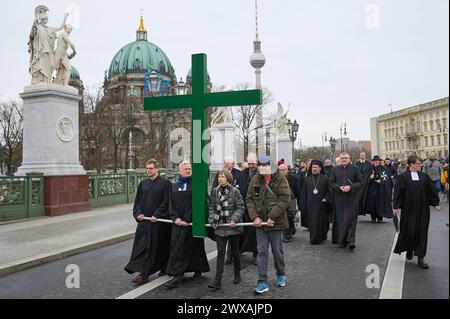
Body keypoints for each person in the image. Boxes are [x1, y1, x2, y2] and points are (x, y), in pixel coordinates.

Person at [246, 155, 291, 294]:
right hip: (261, 224)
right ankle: (262, 281)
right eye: (260, 166)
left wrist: (272, 217)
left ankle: (280, 273)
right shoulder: (255, 179)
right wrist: (255, 217)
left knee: (277, 251)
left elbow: (285, 199)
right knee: (261, 252)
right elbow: (250, 199)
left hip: (276, 223)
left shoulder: (280, 178)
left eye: (265, 166)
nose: (262, 168)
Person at [124, 159, 172, 284]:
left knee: (158, 248)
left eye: (151, 168)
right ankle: (144, 273)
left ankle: (161, 268)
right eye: (147, 168)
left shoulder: (165, 184)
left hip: (158, 223)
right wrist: (138, 213)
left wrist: (157, 214)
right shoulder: (143, 184)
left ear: (157, 169)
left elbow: (166, 202)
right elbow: (138, 201)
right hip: (144, 222)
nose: (148, 170)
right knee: (143, 248)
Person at [165, 162, 210, 289]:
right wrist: (176, 218)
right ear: (179, 171)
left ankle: (198, 269)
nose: (188, 170)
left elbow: (195, 204)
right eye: (185, 169)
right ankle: (177, 274)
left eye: (190, 169)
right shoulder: (173, 186)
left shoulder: (197, 185)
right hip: (178, 224)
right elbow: (170, 204)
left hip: (191, 223)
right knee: (178, 248)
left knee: (196, 246)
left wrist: (187, 219)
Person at [393, 155, 441, 269]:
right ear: (411, 164)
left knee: (422, 232)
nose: (420, 165)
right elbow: (398, 192)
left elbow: (431, 190)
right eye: (418, 164)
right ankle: (409, 249)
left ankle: (421, 258)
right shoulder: (403, 177)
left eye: (420, 163)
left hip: (423, 209)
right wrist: (396, 206)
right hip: (408, 210)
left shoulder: (424, 177)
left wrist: (436, 203)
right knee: (410, 231)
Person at [208, 170, 245, 290]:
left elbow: (240, 207)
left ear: (228, 178)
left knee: (235, 252)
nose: (220, 179)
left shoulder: (235, 191)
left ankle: (237, 273)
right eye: (219, 176)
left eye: (223, 177)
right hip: (219, 227)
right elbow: (211, 207)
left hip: (233, 227)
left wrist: (234, 219)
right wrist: (212, 220)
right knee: (220, 253)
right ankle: (217, 280)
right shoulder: (214, 191)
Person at [329, 153, 363, 250]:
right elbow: (331, 182)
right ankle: (342, 240)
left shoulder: (355, 168)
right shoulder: (335, 169)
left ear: (349, 159)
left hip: (352, 198)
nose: (344, 159)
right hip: (339, 198)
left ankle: (351, 241)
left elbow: (360, 182)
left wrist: (350, 187)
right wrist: (339, 187)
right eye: (342, 158)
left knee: (351, 219)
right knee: (341, 220)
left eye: (345, 158)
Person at [28, 6, 68, 84]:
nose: (46, 20)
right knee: (41, 66)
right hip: (40, 52)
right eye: (45, 19)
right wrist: (33, 25)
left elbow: (60, 27)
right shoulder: (37, 28)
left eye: (47, 19)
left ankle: (46, 81)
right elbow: (31, 36)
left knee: (49, 67)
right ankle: (39, 81)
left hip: (49, 52)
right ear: (41, 19)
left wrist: (65, 18)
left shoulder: (50, 29)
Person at [300, 160, 332, 244]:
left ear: (320, 169)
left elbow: (329, 191)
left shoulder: (325, 178)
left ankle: (322, 237)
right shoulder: (307, 180)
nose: (314, 169)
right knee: (313, 222)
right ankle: (313, 238)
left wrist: (326, 198)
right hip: (310, 205)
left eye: (316, 167)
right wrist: (302, 205)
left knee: (322, 222)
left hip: (322, 204)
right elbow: (304, 194)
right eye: (313, 167)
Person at [237, 153, 259, 265]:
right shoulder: (242, 174)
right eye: (249, 163)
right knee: (243, 231)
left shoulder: (262, 173)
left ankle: (257, 254)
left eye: (253, 163)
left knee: (256, 233)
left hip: (257, 208)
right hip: (244, 207)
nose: (251, 166)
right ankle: (240, 251)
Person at [360, 156, 393, 223]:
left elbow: (387, 179)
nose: (376, 162)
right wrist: (370, 177)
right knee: (372, 204)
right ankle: (373, 218)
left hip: (380, 189)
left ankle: (380, 218)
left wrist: (381, 181)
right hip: (371, 189)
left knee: (380, 204)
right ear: (373, 162)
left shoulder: (384, 169)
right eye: (375, 161)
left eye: (377, 161)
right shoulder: (369, 169)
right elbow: (364, 179)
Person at [279, 164, 301, 242]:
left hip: (291, 199)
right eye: (280, 170)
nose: (282, 172)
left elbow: (298, 191)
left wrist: (299, 202)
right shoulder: (276, 179)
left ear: (287, 170)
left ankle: (291, 229)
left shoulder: (294, 179)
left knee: (290, 216)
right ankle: (287, 235)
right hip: (281, 200)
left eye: (283, 170)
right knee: (285, 217)